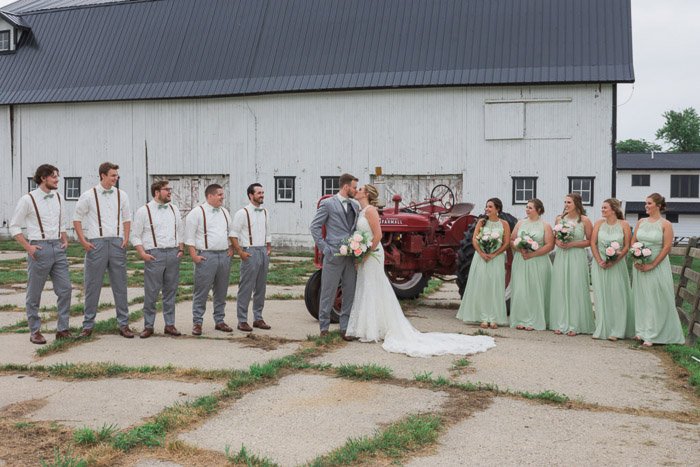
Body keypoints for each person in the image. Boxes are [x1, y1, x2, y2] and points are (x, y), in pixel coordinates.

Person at [346, 185, 495, 357]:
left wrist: (366, 252)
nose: (356, 190)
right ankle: (367, 327)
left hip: (372, 254)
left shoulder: (370, 210)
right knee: (368, 288)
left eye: (360, 188)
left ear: (366, 194)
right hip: (368, 255)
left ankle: (373, 328)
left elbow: (377, 235)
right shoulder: (363, 210)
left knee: (374, 288)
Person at [10, 164, 72, 344]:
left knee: (65, 289)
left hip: (58, 248)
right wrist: (28, 247)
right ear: (43, 178)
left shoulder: (58, 196)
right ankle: (35, 331)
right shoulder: (28, 199)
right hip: (39, 248)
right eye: (54, 177)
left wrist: (65, 238)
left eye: (57, 177)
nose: (57, 180)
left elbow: (61, 222)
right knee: (34, 292)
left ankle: (63, 329)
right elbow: (14, 226)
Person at [73, 162, 133, 338]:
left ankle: (124, 324)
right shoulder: (88, 195)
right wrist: (83, 241)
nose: (116, 178)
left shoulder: (122, 195)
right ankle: (88, 326)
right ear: (102, 175)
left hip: (117, 243)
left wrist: (126, 238)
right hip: (96, 243)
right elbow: (76, 219)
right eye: (113, 175)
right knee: (92, 285)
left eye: (117, 175)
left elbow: (127, 218)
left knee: (120, 285)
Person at [131, 180, 184, 338]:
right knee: (152, 292)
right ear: (156, 192)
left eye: (170, 189)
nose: (169, 192)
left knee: (171, 291)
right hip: (154, 254)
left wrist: (181, 249)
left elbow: (180, 230)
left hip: (173, 253)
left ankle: (170, 325)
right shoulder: (143, 211)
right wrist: (143, 254)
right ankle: (148, 326)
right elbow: (135, 235)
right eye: (166, 189)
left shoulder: (174, 209)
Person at [309, 173, 359, 341]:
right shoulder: (328, 204)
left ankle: (345, 329)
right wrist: (325, 249)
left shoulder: (355, 205)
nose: (356, 190)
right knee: (328, 292)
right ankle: (324, 328)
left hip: (351, 256)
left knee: (349, 292)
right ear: (346, 187)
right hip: (332, 255)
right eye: (354, 187)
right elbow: (315, 227)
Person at [630, 193, 684, 346]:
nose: (646, 206)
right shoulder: (641, 221)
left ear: (658, 206)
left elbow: (667, 247)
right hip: (639, 264)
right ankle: (642, 331)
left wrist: (652, 264)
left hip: (657, 264)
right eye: (645, 203)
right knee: (641, 297)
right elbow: (634, 242)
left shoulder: (666, 224)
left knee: (656, 298)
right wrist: (636, 258)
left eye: (649, 203)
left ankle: (654, 333)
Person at [185, 183, 235, 336]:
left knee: (221, 291)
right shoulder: (196, 213)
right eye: (219, 194)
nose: (222, 197)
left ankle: (219, 321)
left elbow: (230, 232)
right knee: (201, 292)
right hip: (206, 256)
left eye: (222, 194)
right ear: (210, 196)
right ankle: (197, 323)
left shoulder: (225, 212)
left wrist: (231, 248)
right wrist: (194, 256)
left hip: (224, 256)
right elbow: (189, 237)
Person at [456, 198, 512, 329]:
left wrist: (494, 254)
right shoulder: (481, 222)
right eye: (486, 206)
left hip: (496, 259)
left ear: (497, 209)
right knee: (482, 285)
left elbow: (506, 242)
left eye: (490, 207)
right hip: (481, 257)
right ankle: (482, 317)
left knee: (495, 286)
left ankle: (493, 318)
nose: (487, 209)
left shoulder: (504, 224)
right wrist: (482, 253)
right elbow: (475, 240)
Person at [549, 193, 594, 336]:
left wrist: (573, 244)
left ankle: (575, 324)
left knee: (575, 287)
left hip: (577, 256)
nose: (566, 205)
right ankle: (560, 322)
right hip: (562, 255)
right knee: (561, 287)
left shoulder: (585, 221)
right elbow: (554, 238)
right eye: (565, 202)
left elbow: (590, 241)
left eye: (569, 202)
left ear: (577, 204)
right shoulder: (559, 219)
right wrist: (559, 243)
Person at [590, 198, 634, 341]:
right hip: (600, 263)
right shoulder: (598, 224)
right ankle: (602, 327)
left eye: (605, 208)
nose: (602, 210)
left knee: (617, 296)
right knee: (601, 295)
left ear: (614, 209)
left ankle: (617, 330)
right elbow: (593, 243)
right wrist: (599, 261)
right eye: (602, 208)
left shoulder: (624, 224)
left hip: (617, 265)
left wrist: (615, 260)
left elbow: (627, 246)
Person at [231, 183, 272, 332]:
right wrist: (240, 252)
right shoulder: (242, 213)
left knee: (261, 287)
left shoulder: (265, 212)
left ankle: (258, 318)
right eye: (259, 193)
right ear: (250, 195)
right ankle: (242, 320)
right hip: (249, 251)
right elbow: (233, 234)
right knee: (246, 287)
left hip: (262, 251)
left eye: (262, 192)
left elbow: (267, 231)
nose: (262, 195)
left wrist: (268, 245)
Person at [509, 199, 553, 331]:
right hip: (521, 260)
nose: (527, 209)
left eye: (530, 208)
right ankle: (521, 318)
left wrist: (533, 254)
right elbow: (512, 240)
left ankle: (534, 320)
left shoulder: (545, 225)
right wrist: (520, 248)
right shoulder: (520, 223)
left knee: (535, 290)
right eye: (526, 207)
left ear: (538, 210)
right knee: (521, 290)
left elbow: (550, 245)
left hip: (538, 261)